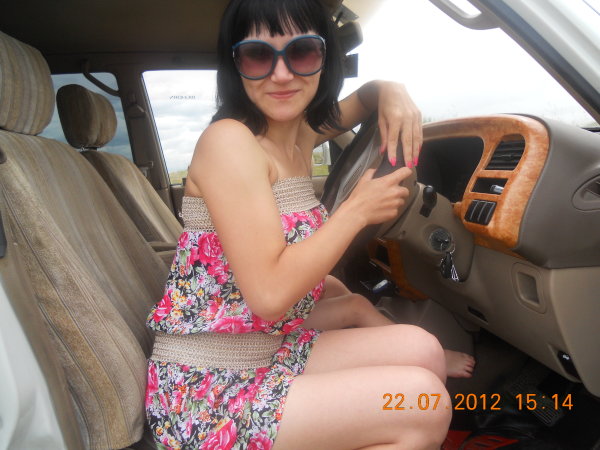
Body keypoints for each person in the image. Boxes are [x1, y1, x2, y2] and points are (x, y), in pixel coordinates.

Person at [145, 0, 469, 448]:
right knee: (423, 404)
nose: (281, 74)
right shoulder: (229, 141)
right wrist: (356, 211)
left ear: (324, 58)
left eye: (301, 52)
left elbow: (362, 101)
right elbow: (270, 296)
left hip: (270, 347)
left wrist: (390, 89)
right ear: (236, 65)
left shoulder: (300, 134)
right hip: (211, 386)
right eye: (258, 55)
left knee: (424, 350)